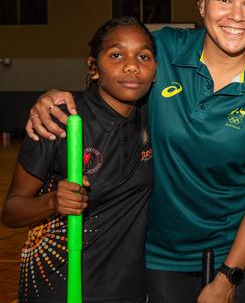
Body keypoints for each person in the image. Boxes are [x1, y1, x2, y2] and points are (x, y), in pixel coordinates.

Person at [25, 0, 245, 303]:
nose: (236, 15)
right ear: (202, 4)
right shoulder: (163, 50)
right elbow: (112, 74)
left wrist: (227, 279)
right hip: (160, 257)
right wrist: (53, 95)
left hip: (239, 257)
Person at [1, 16, 157, 302]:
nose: (132, 65)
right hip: (58, 287)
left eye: (143, 56)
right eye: (117, 54)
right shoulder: (59, 121)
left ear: (155, 70)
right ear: (93, 67)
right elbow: (11, 211)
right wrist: (52, 203)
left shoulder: (154, 117)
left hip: (128, 290)